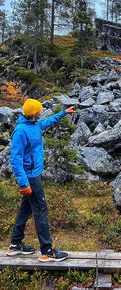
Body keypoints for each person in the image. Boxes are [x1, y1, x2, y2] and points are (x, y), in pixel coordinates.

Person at [7, 98, 75, 262]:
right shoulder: (21, 131)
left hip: (34, 174)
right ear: (32, 113)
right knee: (41, 210)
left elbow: (48, 121)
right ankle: (47, 250)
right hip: (30, 177)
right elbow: (15, 160)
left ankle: (16, 244)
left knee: (26, 209)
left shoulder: (35, 124)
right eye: (39, 110)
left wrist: (64, 113)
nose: (41, 111)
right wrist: (23, 183)